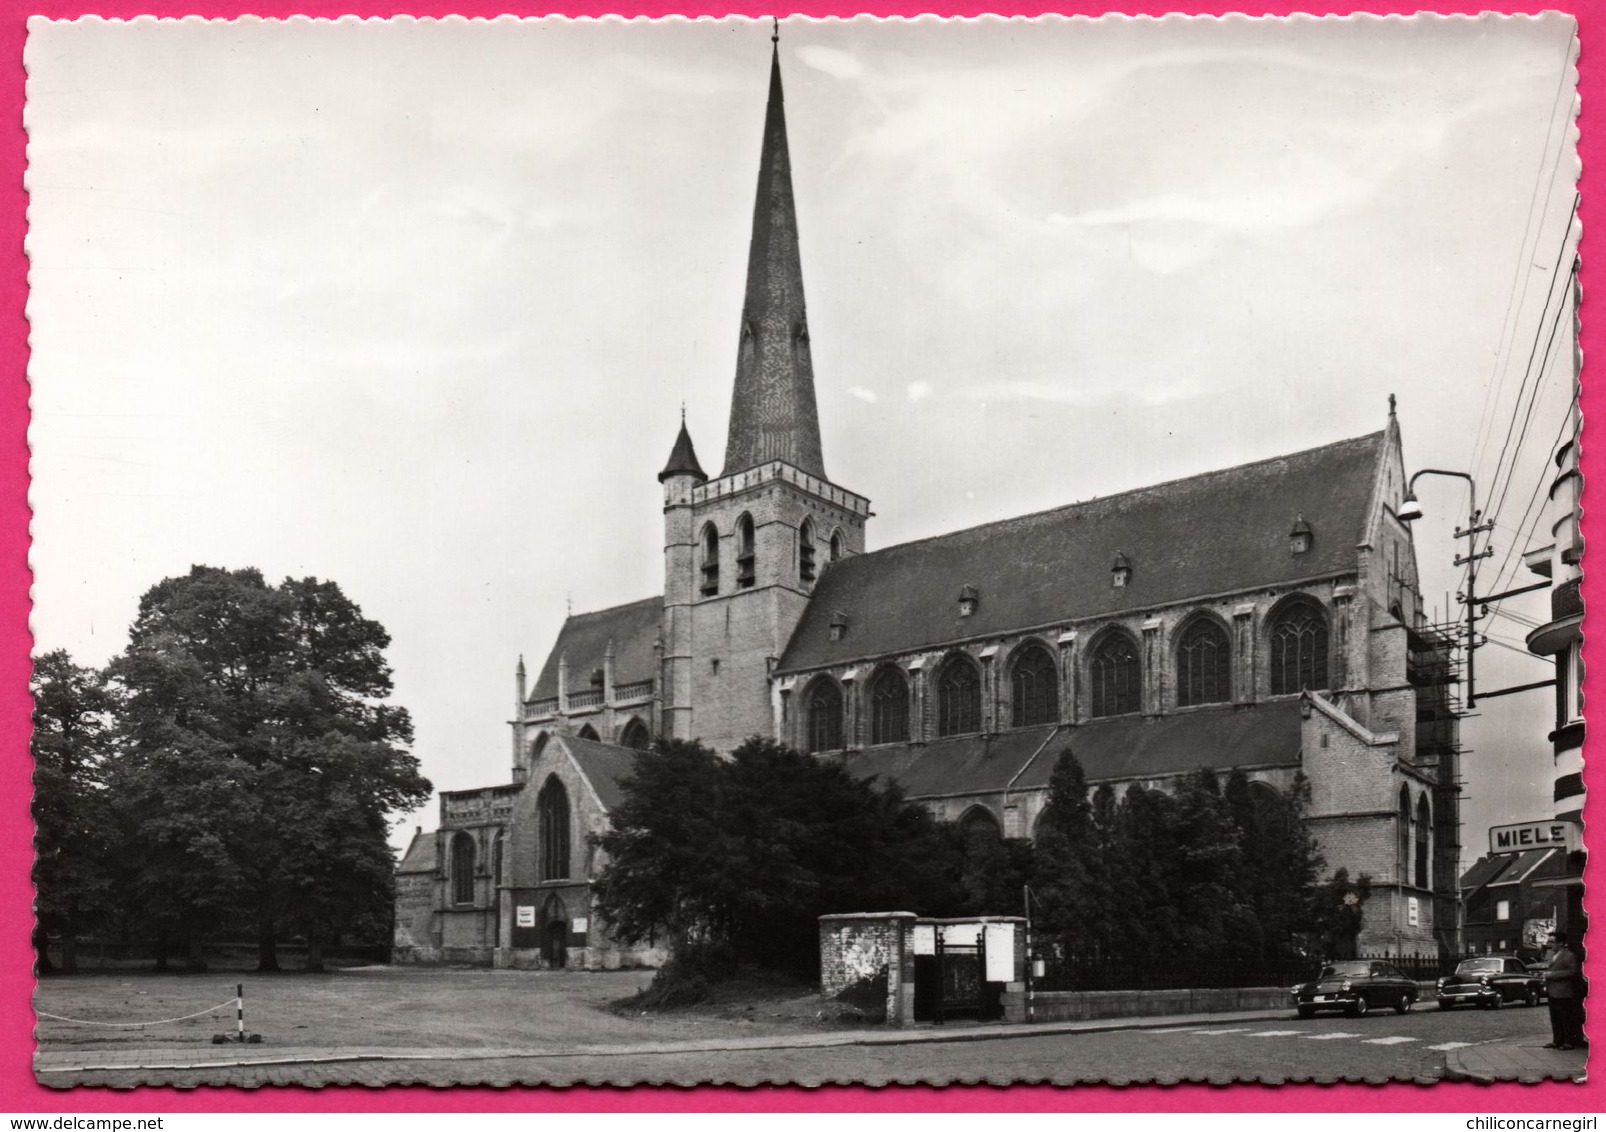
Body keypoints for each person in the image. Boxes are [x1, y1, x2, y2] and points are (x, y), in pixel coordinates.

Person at [1543, 931, 1586, 1050]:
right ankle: (1557, 1040)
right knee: (1555, 1017)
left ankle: (1568, 1042)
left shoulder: (1568, 955)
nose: (1550, 945)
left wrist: (1552, 975)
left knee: (1565, 1017)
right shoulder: (1552, 955)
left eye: (1553, 942)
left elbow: (1572, 971)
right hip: (1552, 991)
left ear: (1561, 943)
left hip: (1563, 992)